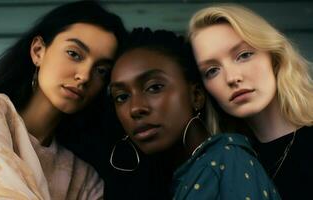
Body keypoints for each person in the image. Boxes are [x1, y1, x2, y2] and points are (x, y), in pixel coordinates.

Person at [0, 1, 127, 199]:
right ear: (38, 51)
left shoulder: (85, 179)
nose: (85, 76)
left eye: (101, 70)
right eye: (74, 54)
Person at [109, 28, 281, 200]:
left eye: (154, 87)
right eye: (122, 97)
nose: (135, 108)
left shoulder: (223, 163)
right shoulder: (181, 175)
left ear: (196, 96)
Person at [188, 4, 313, 200]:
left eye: (244, 55)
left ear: (274, 57)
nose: (231, 77)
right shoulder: (223, 163)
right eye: (212, 70)